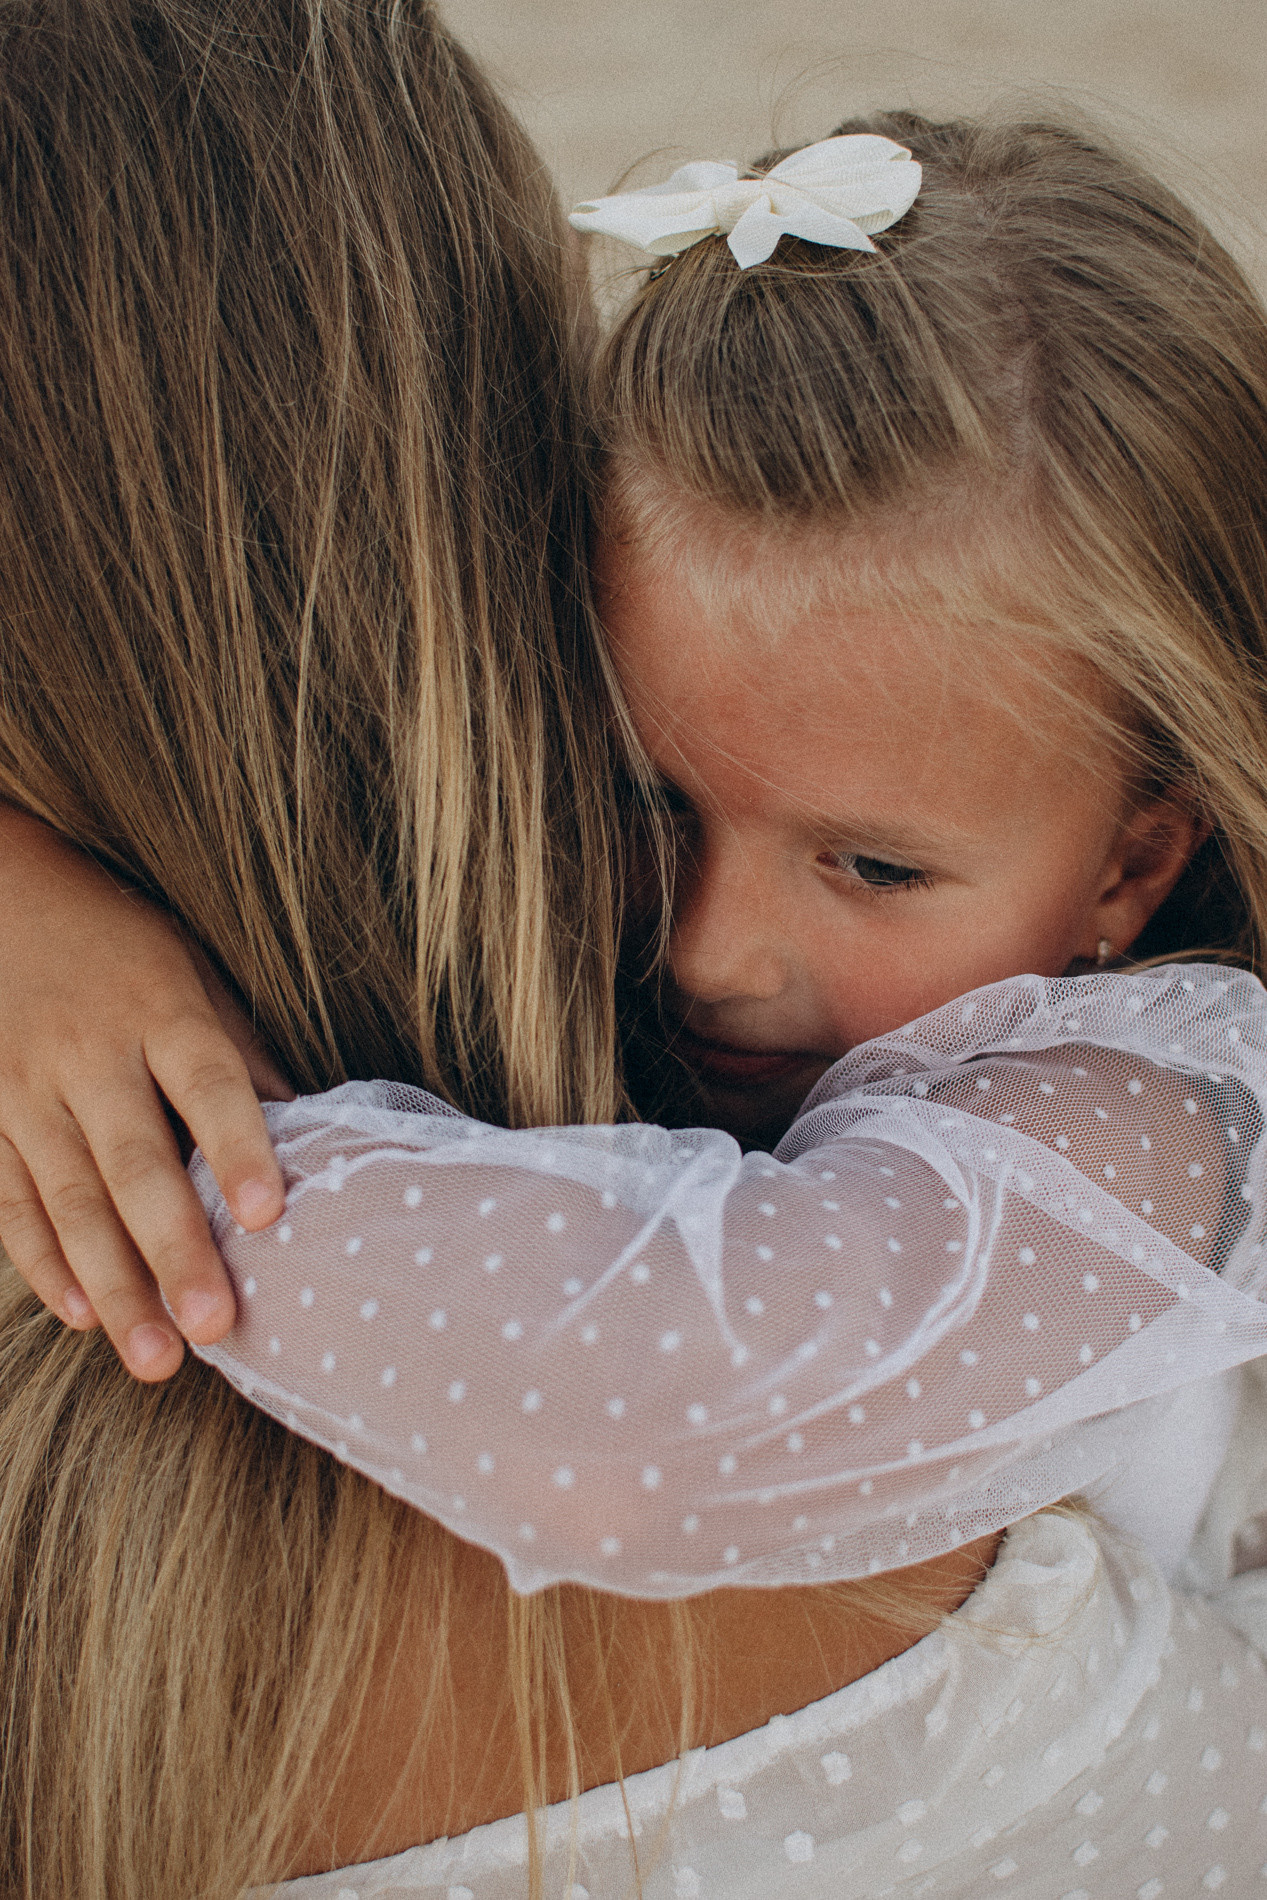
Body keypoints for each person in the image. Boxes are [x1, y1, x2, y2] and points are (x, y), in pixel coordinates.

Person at [5, 100, 1267, 1893]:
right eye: (643, 799)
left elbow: (658, 1415)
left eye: (874, 867)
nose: (705, 947)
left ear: (1137, 863)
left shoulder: (1135, 1112)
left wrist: (142, 1138)